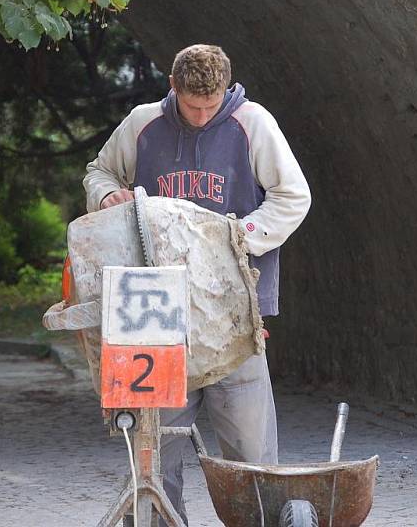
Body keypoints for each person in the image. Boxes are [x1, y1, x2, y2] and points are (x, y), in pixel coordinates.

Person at [83, 44, 311, 524]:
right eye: (193, 105)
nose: (203, 114)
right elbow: (100, 170)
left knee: (248, 447)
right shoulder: (143, 123)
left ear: (227, 89)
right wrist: (107, 195)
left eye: (212, 105)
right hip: (156, 315)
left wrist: (238, 237)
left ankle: (261, 519)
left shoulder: (254, 124)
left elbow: (293, 196)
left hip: (233, 310)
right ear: (173, 86)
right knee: (154, 448)